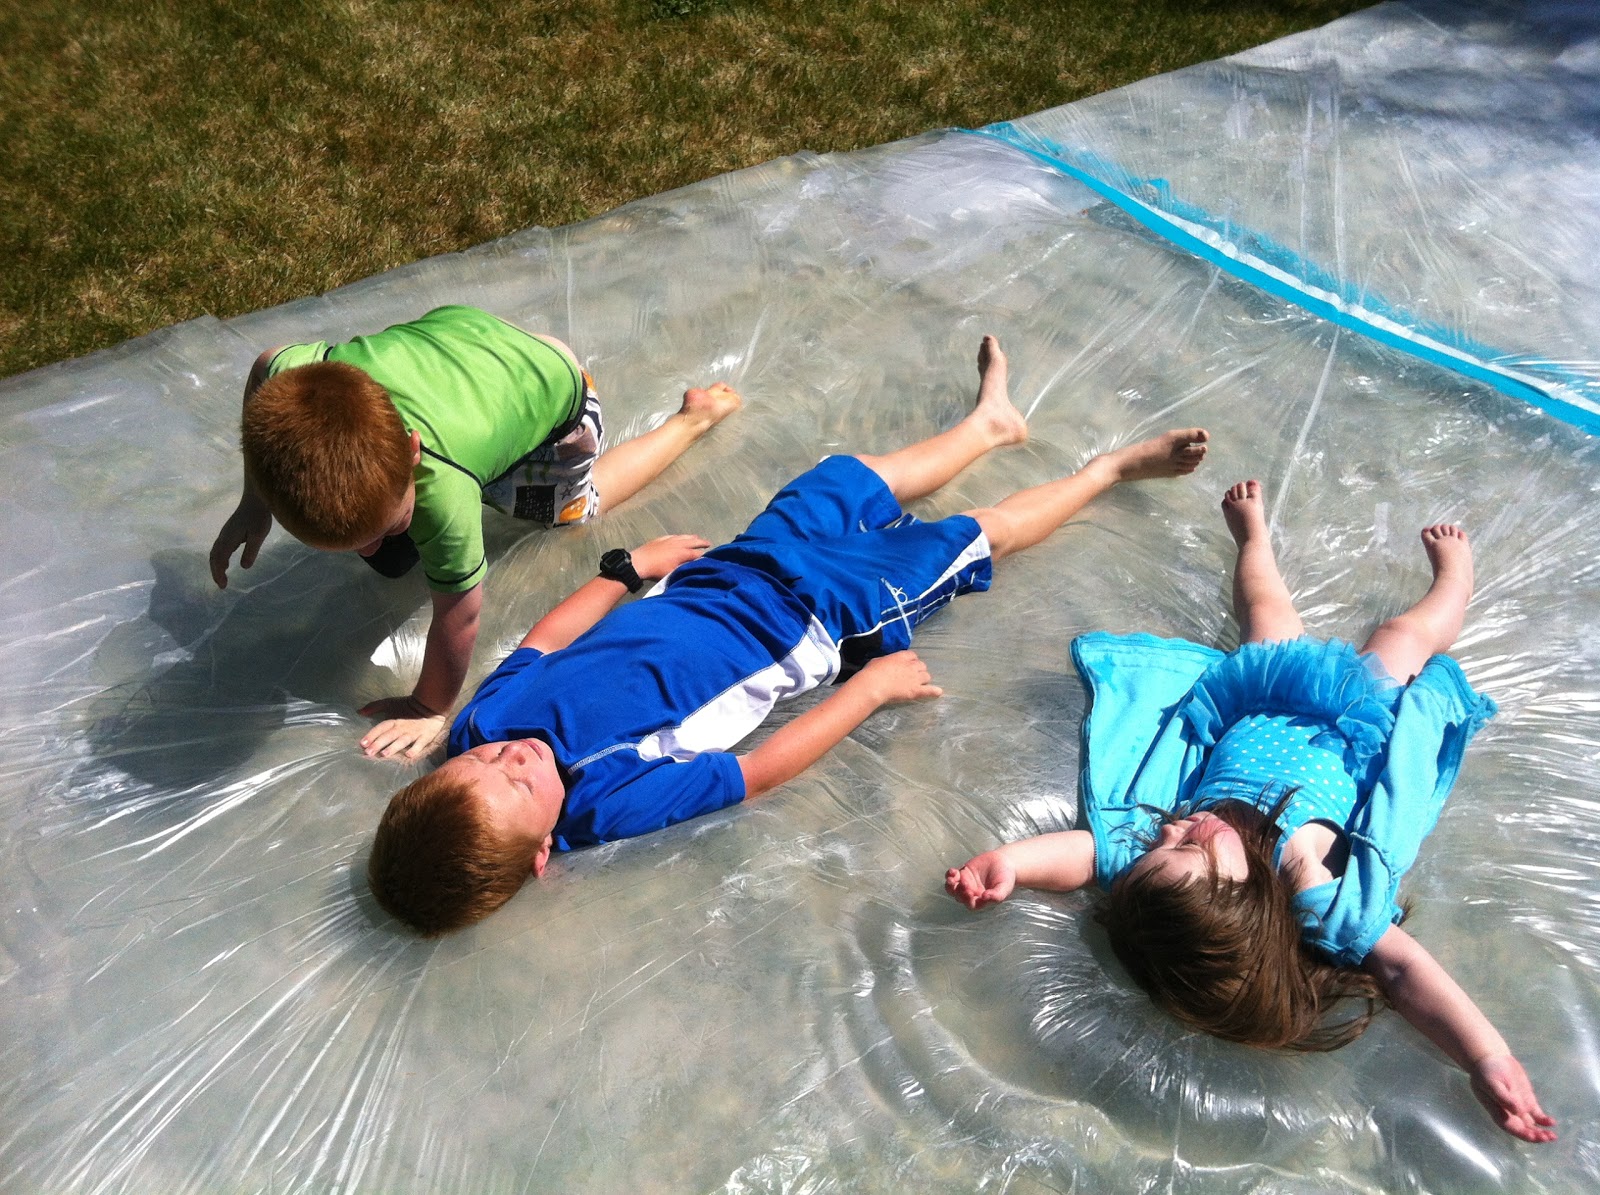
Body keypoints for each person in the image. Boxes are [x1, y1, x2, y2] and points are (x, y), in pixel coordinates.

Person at [366, 334, 1209, 935]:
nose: (509, 757)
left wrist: (625, 571)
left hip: (733, 568)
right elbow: (758, 770)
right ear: (546, 850)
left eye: (480, 762)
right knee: (970, 534)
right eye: (513, 784)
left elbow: (546, 640)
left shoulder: (484, 724)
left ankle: (991, 426)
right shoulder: (606, 802)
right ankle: (1107, 470)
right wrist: (867, 688)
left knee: (852, 477)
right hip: (823, 616)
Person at [946, 478, 1557, 1144]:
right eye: (1190, 845)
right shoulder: (1311, 890)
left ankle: (1253, 536)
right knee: (1404, 633)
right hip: (1358, 719)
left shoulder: (1157, 871)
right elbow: (1406, 970)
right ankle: (1455, 583)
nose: (1172, 827)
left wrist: (1009, 863)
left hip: (1262, 700)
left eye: (1165, 841)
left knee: (1264, 609)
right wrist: (1485, 1055)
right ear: (1242, 896)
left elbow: (1087, 853)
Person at [207, 305, 741, 757]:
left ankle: (692, 419)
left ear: (413, 453)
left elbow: (460, 615)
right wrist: (256, 501)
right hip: (469, 345)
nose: (369, 551)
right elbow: (263, 365)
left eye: (381, 530)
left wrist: (429, 707)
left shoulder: (445, 491)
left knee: (571, 508)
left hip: (554, 396)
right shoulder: (291, 375)